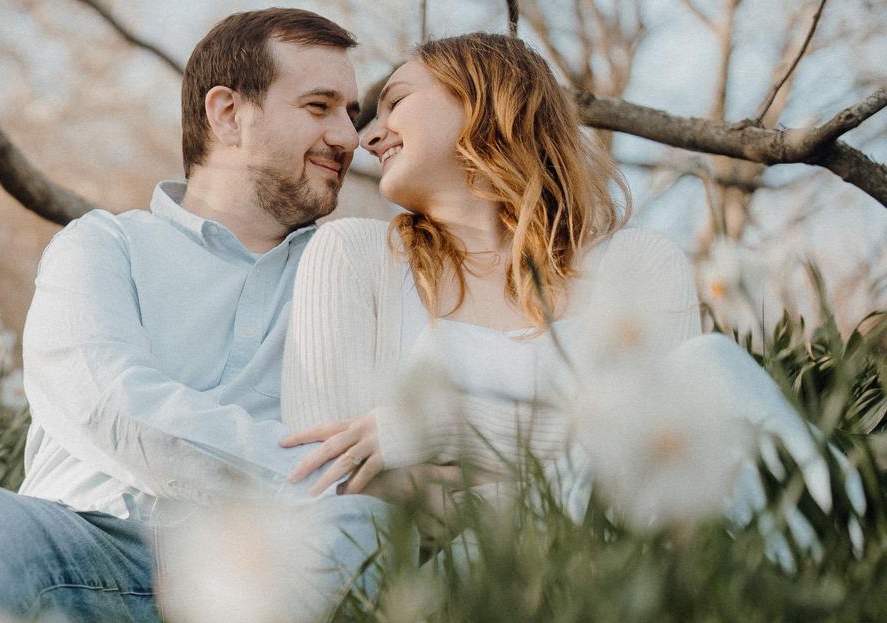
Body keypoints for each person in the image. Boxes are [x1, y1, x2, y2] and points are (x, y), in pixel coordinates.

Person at [0, 8, 365, 623]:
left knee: (365, 521)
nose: (347, 137)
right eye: (319, 107)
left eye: (352, 113)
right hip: (90, 562)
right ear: (228, 114)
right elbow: (112, 405)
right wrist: (315, 478)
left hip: (259, 588)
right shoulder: (102, 247)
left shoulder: (349, 274)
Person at [277, 32, 821, 559]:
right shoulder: (353, 255)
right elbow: (333, 483)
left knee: (713, 366)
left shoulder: (637, 264)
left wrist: (443, 427)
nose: (369, 138)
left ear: (485, 99)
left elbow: (669, 455)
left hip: (629, 558)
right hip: (460, 580)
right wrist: (559, 459)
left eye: (395, 101)